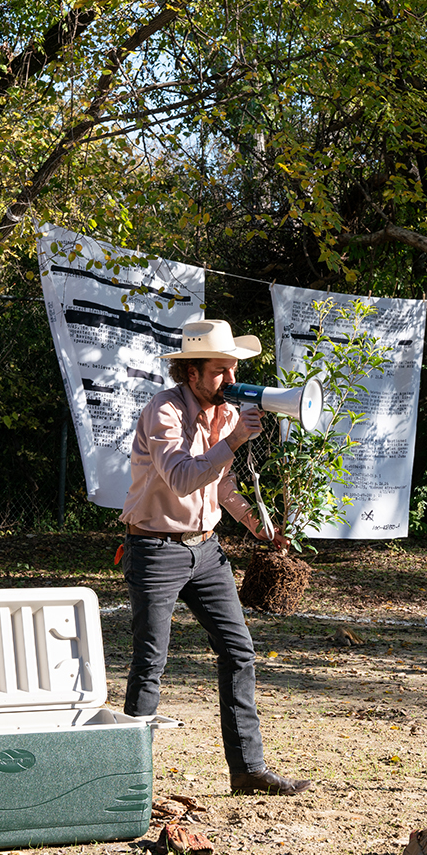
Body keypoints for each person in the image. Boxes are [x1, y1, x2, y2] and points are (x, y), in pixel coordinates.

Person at [119, 319, 310, 796]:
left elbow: (220, 483)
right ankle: (126, 780)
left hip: (206, 550)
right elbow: (183, 477)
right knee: (150, 662)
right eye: (221, 370)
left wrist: (257, 525)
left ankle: (247, 770)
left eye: (233, 370)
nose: (231, 380)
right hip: (155, 548)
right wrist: (235, 441)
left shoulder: (224, 413)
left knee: (239, 651)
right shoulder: (162, 412)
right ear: (192, 372)